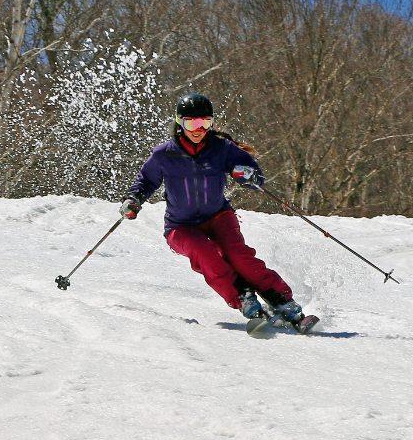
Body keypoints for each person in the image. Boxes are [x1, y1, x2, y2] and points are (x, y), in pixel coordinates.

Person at [121, 92, 314, 330]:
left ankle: (283, 301)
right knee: (206, 254)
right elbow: (145, 181)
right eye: (192, 123)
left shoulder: (221, 148)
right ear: (180, 123)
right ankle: (243, 297)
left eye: (205, 123)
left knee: (238, 256)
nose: (198, 129)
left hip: (218, 216)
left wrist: (248, 175)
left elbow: (255, 175)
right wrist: (133, 200)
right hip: (180, 226)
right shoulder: (164, 154)